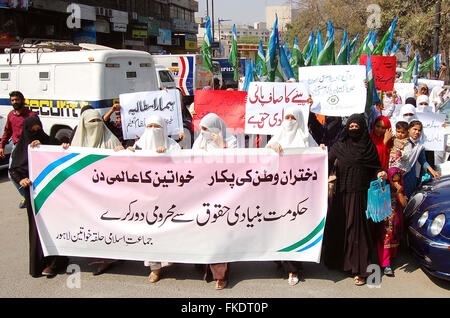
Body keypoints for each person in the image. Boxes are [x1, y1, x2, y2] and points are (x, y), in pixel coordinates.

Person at [322, 113, 387, 286]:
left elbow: (376, 167)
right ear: (346, 128)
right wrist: (320, 152)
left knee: (358, 232)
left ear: (363, 128)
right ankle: (340, 264)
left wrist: (380, 173)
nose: (353, 129)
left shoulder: (369, 147)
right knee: (340, 228)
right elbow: (325, 163)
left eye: (357, 127)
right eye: (351, 127)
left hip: (360, 196)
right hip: (341, 196)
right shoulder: (340, 145)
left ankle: (360, 269)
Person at [9, 116, 68, 277]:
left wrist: (62, 147)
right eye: (32, 132)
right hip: (34, 196)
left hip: (53, 194)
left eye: (39, 131)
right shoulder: (21, 148)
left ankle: (56, 262)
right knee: (37, 229)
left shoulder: (50, 142)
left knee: (55, 226)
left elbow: (64, 156)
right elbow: (14, 169)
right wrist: (22, 179)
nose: (36, 135)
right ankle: (41, 262)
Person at [266, 107, 318, 286]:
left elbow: (316, 159)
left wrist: (321, 151)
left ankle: (293, 268)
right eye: (286, 117)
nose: (289, 121)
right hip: (279, 193)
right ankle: (284, 262)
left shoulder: (306, 139)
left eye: (293, 118)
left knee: (296, 229)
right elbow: (264, 157)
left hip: (300, 194)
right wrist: (272, 148)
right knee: (281, 229)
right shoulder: (277, 136)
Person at [126, 115, 180, 283]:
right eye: (149, 126)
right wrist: (127, 154)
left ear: (164, 128)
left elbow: (184, 168)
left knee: (169, 231)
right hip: (145, 198)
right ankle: (155, 268)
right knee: (150, 232)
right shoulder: (138, 146)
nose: (152, 130)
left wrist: (168, 155)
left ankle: (172, 258)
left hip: (168, 198)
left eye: (156, 126)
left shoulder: (173, 145)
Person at [69, 108, 123, 275]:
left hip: (106, 195)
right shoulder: (76, 144)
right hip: (85, 196)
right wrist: (62, 150)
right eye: (91, 122)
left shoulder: (111, 141)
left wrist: (122, 153)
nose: (96, 125)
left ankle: (109, 260)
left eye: (98, 121)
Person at [192, 113, 237, 290]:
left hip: (223, 195)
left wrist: (219, 148)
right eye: (201, 129)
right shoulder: (199, 142)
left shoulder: (231, 141)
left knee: (220, 234)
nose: (204, 133)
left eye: (207, 129)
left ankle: (221, 274)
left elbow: (234, 163)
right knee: (204, 232)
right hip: (202, 194)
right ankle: (204, 268)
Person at [0, 91, 38, 208]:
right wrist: (2, 145)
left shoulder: (31, 116)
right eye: (12, 100)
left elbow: (38, 132)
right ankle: (26, 196)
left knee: (32, 174)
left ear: (23, 100)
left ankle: (36, 197)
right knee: (12, 174)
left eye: (17, 99)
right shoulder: (11, 115)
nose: (15, 102)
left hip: (31, 148)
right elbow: (7, 131)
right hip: (17, 148)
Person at [376, 167, 407, 277]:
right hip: (386, 221)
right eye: (394, 181)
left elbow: (404, 204)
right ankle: (386, 264)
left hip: (396, 220)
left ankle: (390, 258)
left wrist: (400, 191)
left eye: (398, 181)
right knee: (386, 240)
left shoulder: (401, 190)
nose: (396, 183)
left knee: (394, 239)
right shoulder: (385, 189)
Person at [402, 120, 440, 198]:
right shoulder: (401, 142)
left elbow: (423, 161)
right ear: (409, 130)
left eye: (419, 130)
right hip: (398, 174)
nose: (417, 132)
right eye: (415, 129)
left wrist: (432, 171)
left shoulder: (420, 146)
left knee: (408, 198)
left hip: (410, 176)